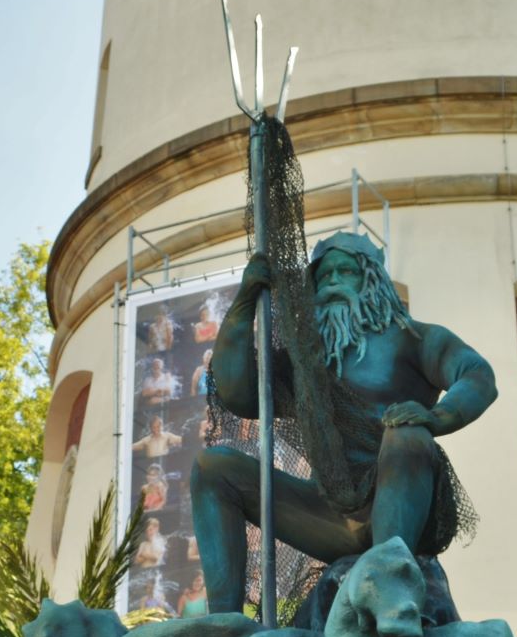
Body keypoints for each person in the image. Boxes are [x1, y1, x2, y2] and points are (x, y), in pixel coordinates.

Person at [192, 232, 497, 612]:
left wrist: (436, 417)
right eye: (325, 275)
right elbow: (238, 393)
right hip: (327, 515)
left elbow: (477, 375)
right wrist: (243, 304)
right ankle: (224, 622)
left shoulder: (414, 339)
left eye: (346, 271)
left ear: (371, 278)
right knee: (213, 467)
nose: (334, 281)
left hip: (401, 503)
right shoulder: (304, 360)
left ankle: (387, 588)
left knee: (407, 435)